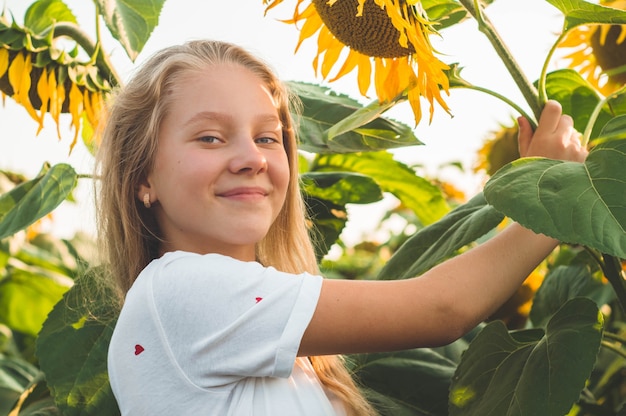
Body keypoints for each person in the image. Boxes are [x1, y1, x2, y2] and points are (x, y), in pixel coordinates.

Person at [98, 40, 588, 415]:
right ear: (143, 175)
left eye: (268, 137)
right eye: (210, 137)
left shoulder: (273, 335)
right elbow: (443, 309)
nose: (251, 158)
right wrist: (550, 198)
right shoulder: (180, 291)